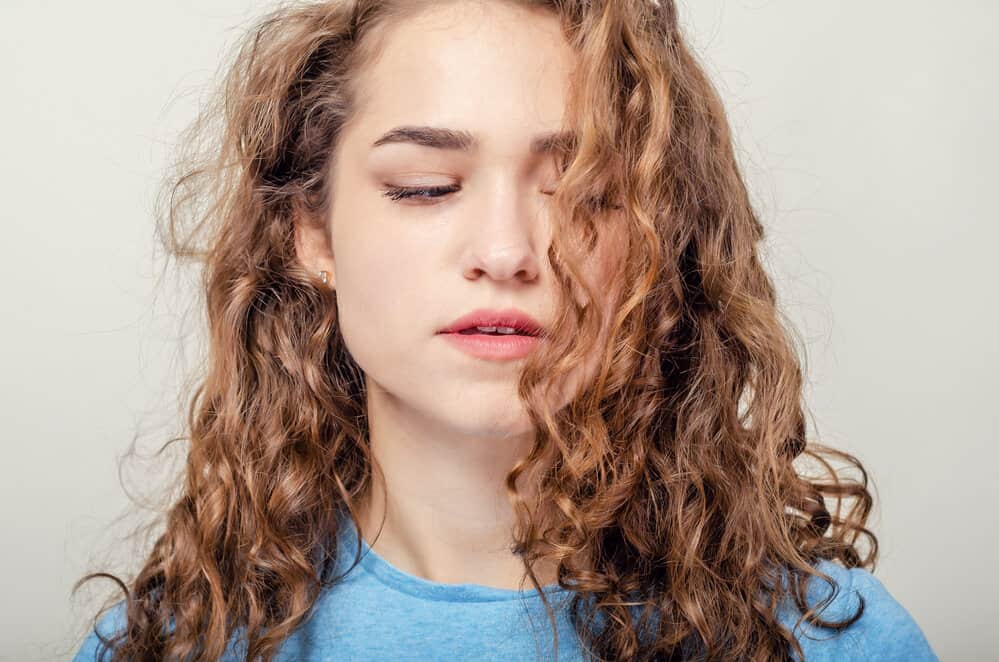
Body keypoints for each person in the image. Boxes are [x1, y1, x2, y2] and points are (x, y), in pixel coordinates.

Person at [71, 1, 938, 660]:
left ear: (655, 239)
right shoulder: (167, 643)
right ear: (312, 233)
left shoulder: (829, 640)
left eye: (586, 193)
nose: (507, 252)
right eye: (422, 185)